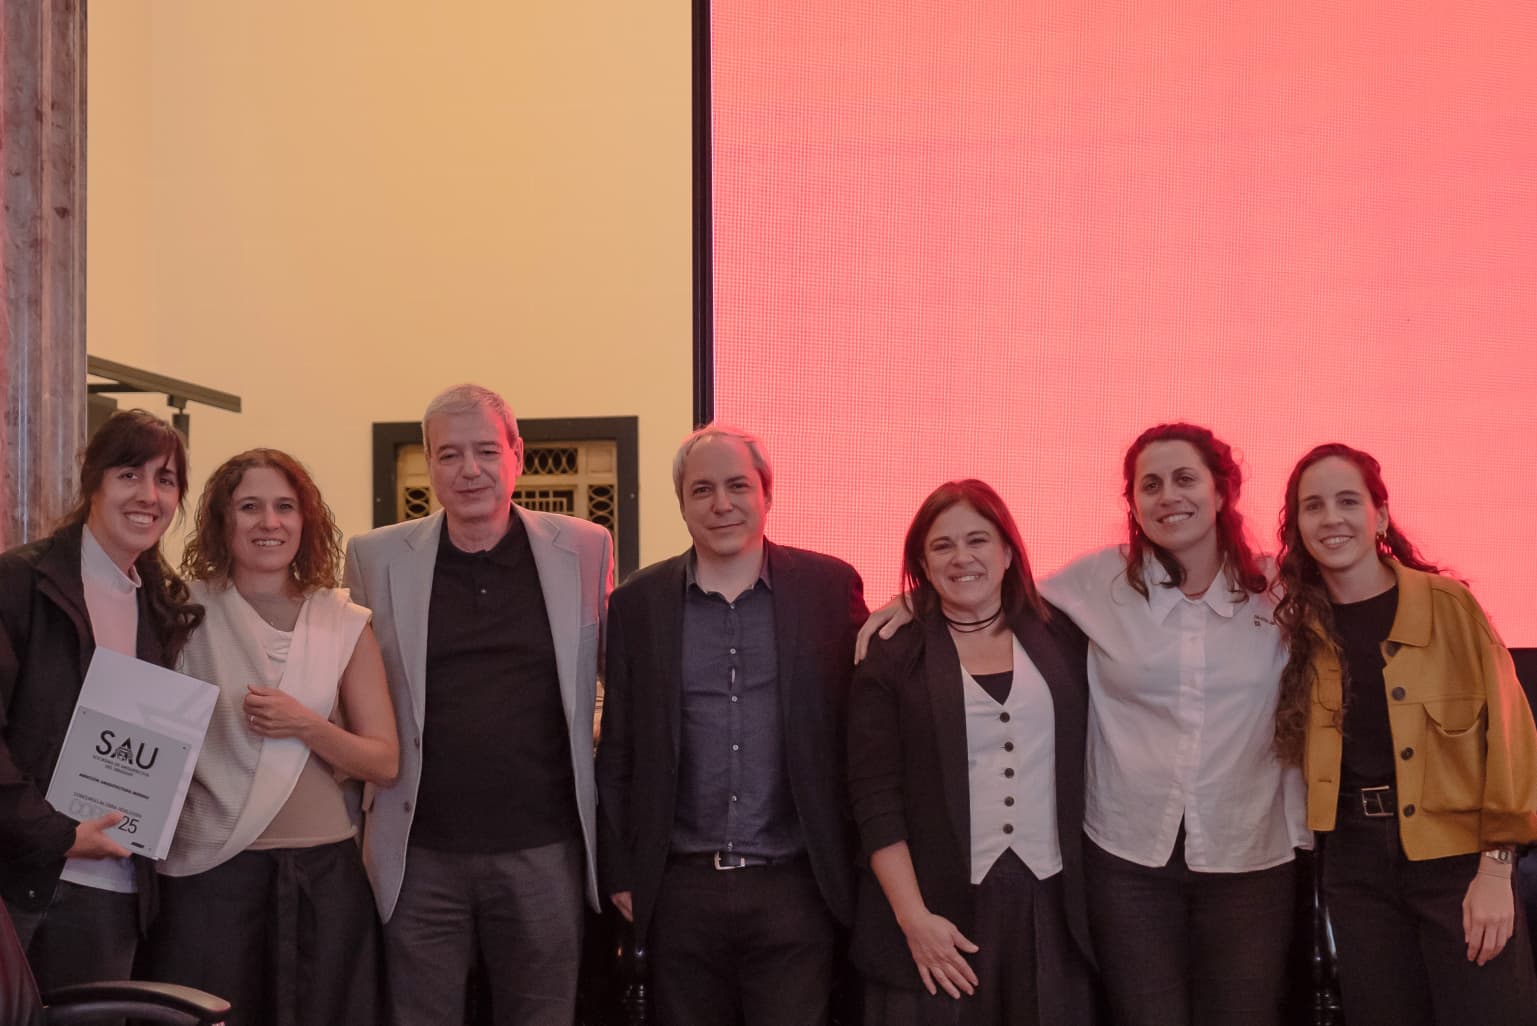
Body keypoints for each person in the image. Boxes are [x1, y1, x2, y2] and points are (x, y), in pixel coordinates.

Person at [860, 423, 1309, 1026]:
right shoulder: (1099, 581)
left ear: (1222, 490)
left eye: (1184, 479)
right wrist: (915, 598)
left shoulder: (1280, 592)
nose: (1168, 497)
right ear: (1133, 503)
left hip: (1249, 854)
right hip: (1128, 860)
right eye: (1150, 485)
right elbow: (986, 587)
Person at [345, 384, 614, 1026]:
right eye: (449, 454)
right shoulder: (375, 557)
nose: (470, 470)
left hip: (544, 849)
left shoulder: (585, 547)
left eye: (487, 451)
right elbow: (351, 696)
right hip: (418, 852)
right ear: (429, 464)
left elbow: (615, 676)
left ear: (517, 454)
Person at [596, 424, 867, 1026]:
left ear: (767, 494)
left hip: (797, 886)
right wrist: (620, 870)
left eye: (738, 486)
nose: (722, 504)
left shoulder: (828, 589)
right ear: (682, 504)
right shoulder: (638, 605)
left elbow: (867, 722)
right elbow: (618, 750)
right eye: (702, 490)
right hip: (679, 890)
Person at [1272, 442, 1537, 1024]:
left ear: (1381, 517)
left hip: (1458, 860)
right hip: (1355, 866)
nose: (1331, 518)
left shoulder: (1450, 607)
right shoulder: (1297, 626)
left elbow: (1512, 739)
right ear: (1298, 527)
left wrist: (1497, 869)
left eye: (1348, 501)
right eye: (1313, 506)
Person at [146, 449, 398, 1026]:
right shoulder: (180, 614)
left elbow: (384, 762)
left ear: (305, 521)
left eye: (285, 507)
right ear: (222, 519)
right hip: (208, 875)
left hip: (323, 877)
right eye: (249, 507)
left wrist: (305, 724)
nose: (269, 522)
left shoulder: (341, 622)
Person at [849, 479, 1096, 1025]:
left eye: (978, 540)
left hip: (1049, 905)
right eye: (943, 546)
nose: (962, 557)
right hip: (934, 908)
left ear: (1007, 551)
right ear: (923, 564)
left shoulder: (1063, 636)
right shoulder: (892, 655)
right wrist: (914, 919)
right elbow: (874, 798)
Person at [0, 410, 202, 990]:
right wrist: (57, 835)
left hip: (116, 890)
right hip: (23, 882)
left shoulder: (163, 606)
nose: (149, 496)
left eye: (165, 480)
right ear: (93, 481)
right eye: (129, 475)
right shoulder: (20, 583)